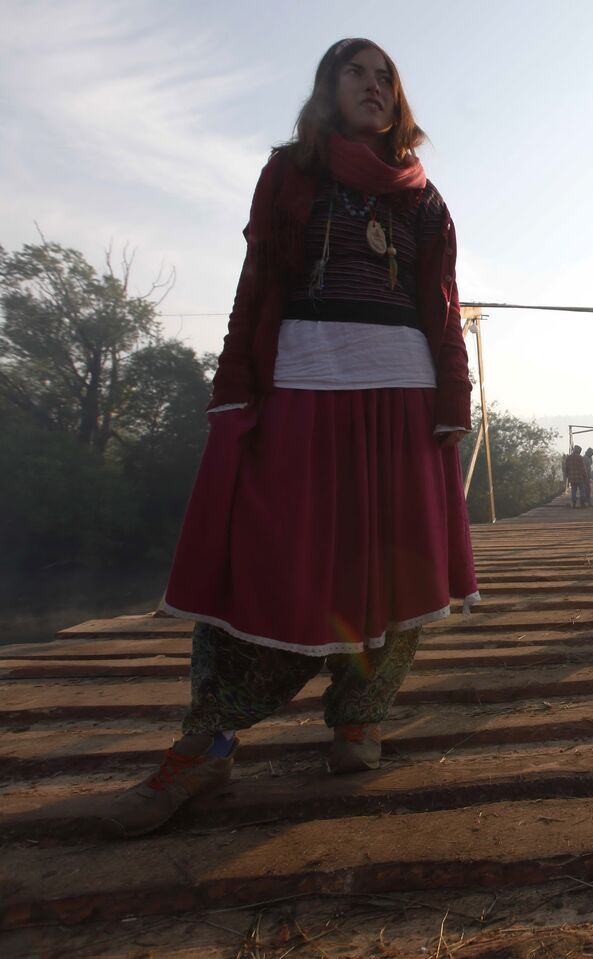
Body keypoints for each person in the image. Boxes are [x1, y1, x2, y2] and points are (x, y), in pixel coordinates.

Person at [102, 38, 480, 838]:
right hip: (305, 384)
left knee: (398, 570)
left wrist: (455, 397)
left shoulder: (424, 198)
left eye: (387, 78)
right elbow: (258, 283)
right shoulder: (290, 174)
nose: (373, 86)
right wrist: (233, 391)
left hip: (404, 396)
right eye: (357, 72)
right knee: (278, 561)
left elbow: (442, 306)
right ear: (327, 87)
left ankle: (356, 716)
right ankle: (207, 741)